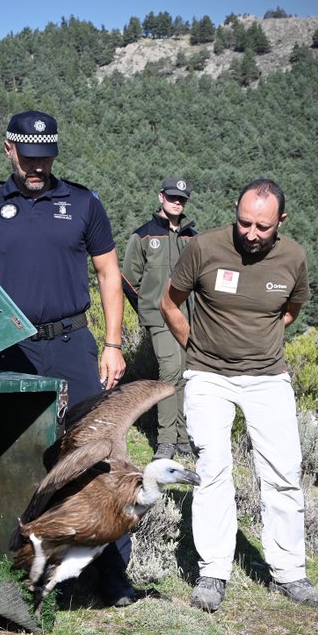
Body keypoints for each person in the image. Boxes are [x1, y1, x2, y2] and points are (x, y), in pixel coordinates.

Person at [0, 110, 134, 606]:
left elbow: (109, 274)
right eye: (28, 157)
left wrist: (112, 344)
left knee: (99, 459)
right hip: (13, 349)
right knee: (14, 456)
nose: (37, 166)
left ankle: (111, 576)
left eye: (45, 156)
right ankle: (12, 571)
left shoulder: (82, 202)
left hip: (74, 345)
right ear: (8, 149)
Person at [160, 178, 318, 611]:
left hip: (268, 376)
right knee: (213, 467)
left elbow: (291, 310)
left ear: (281, 222)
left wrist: (257, 341)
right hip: (208, 375)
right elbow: (170, 303)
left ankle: (290, 572)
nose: (252, 233)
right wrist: (193, 345)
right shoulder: (205, 248)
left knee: (283, 471)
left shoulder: (293, 258)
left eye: (263, 227)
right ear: (236, 211)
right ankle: (214, 572)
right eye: (244, 222)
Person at [122, 177, 196, 460]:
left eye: (182, 199)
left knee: (185, 375)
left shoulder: (192, 237)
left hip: (187, 318)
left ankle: (183, 438)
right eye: (172, 197)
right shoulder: (143, 236)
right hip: (159, 317)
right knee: (169, 371)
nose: (177, 202)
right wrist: (148, 309)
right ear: (160, 197)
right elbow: (129, 279)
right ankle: (166, 440)